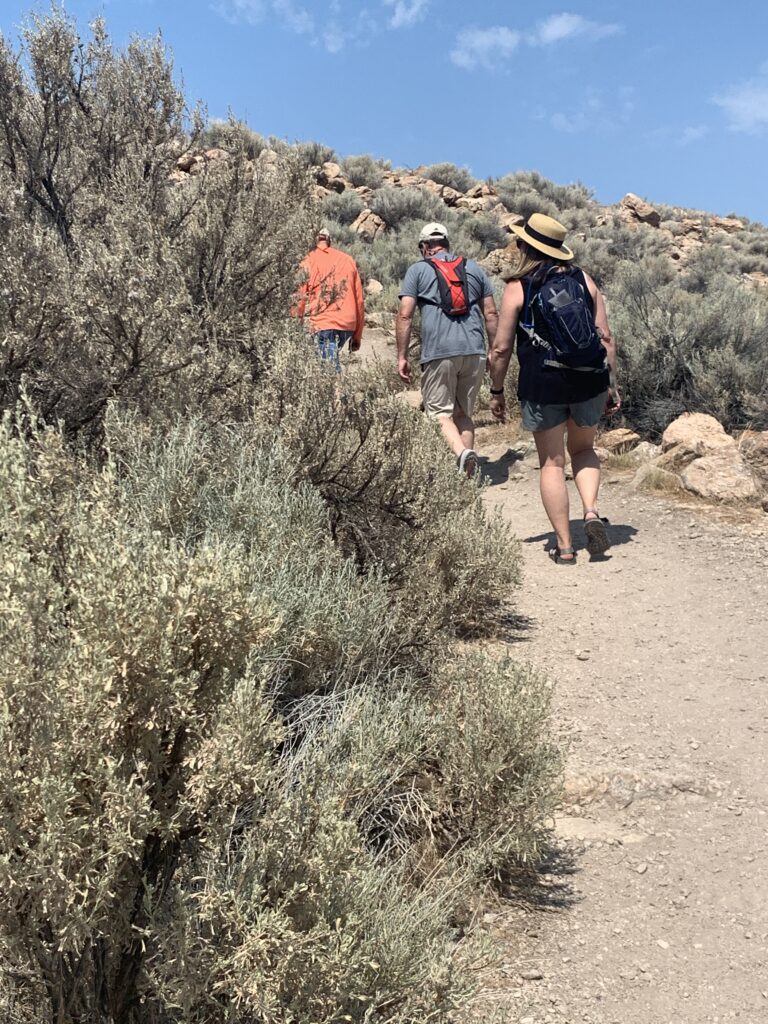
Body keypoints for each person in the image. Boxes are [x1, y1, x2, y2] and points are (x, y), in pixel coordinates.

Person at [488, 212, 621, 564]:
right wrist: (610, 384)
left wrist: (497, 391)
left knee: (551, 462)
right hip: (589, 379)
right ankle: (591, 512)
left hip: (543, 384)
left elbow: (501, 348)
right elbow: (606, 339)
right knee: (583, 450)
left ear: (527, 248)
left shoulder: (518, 287)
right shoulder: (585, 280)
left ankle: (564, 546)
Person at [396, 222, 498, 476]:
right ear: (446, 244)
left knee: (439, 414)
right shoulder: (474, 269)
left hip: (439, 351)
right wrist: (493, 352)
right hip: (474, 350)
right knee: (463, 413)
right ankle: (467, 477)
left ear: (424, 247)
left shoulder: (418, 270)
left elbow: (405, 315)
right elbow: (492, 313)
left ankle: (462, 454)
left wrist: (402, 356)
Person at [293, 228, 365, 370]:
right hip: (347, 324)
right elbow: (359, 302)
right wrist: (357, 335)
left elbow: (298, 298)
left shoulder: (308, 260)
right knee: (327, 361)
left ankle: (335, 391)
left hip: (324, 323)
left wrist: (295, 326)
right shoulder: (347, 259)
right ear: (329, 241)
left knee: (328, 370)